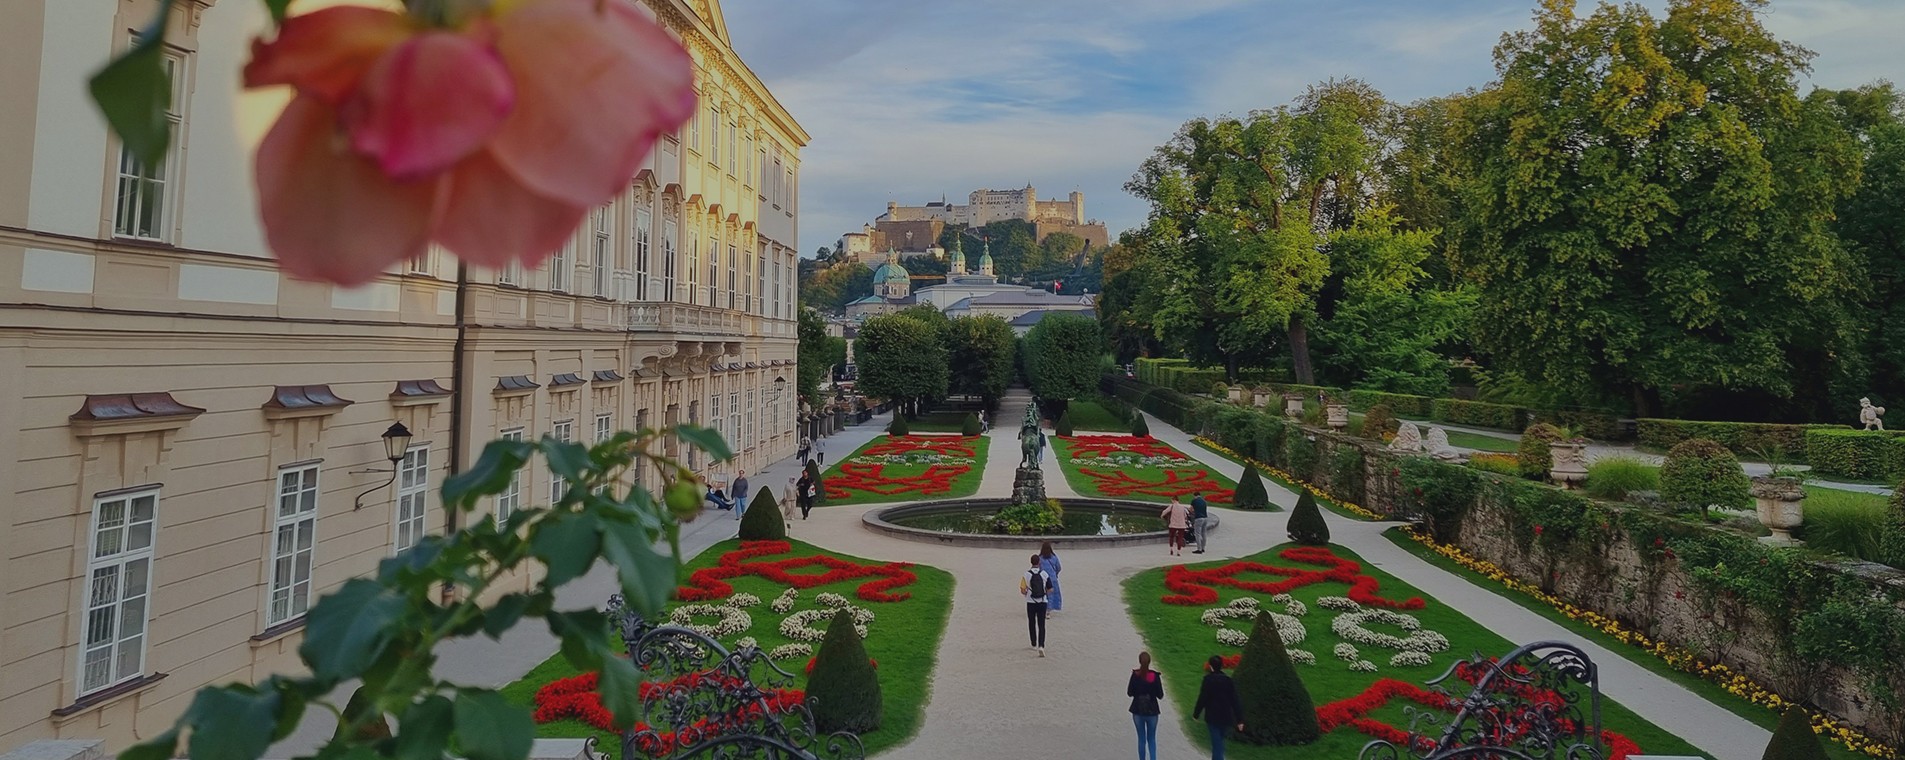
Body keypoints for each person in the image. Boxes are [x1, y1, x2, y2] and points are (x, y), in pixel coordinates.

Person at [1192, 655, 1245, 760]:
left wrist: (1196, 714)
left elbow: (1203, 698)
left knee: (1217, 745)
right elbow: (1235, 700)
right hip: (1226, 716)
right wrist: (1240, 720)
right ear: (1222, 666)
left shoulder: (1208, 680)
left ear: (1211, 666)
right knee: (1219, 741)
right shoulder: (1228, 680)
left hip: (1212, 717)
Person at [1127, 651, 1163, 760]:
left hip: (1138, 711)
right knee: (1151, 739)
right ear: (1149, 662)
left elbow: (1129, 693)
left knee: (1141, 738)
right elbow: (1160, 695)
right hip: (1152, 712)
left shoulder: (1135, 675)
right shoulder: (1154, 676)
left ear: (1139, 661)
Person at [1020, 553, 1049, 656]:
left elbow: (1023, 590)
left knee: (1031, 622)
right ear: (1039, 562)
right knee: (1042, 624)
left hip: (1030, 601)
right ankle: (1041, 645)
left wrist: (1028, 591)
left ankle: (1033, 642)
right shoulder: (1044, 574)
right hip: (1042, 601)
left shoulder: (1026, 575)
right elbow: (1050, 589)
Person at [1038, 541, 1063, 613]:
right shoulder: (1054, 557)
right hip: (1052, 578)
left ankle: (1042, 609)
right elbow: (1059, 567)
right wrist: (1056, 574)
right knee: (1051, 594)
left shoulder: (1040, 558)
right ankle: (1048, 610)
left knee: (1042, 594)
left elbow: (1037, 568)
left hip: (1042, 578)